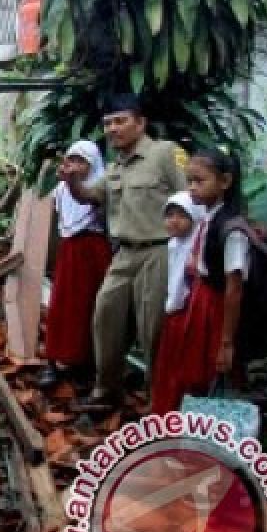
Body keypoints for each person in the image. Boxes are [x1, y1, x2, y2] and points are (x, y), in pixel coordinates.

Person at [60, 93, 186, 410]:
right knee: (105, 315)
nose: (112, 128)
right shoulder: (116, 167)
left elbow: (192, 197)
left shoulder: (166, 153)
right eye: (107, 123)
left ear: (140, 123)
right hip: (124, 253)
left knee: (153, 327)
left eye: (120, 121)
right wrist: (73, 182)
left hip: (159, 251)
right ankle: (108, 391)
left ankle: (159, 402)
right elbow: (90, 196)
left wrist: (192, 250)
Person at [157, 148, 251, 401]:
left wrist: (226, 342)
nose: (192, 188)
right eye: (189, 181)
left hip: (216, 309)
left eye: (199, 181)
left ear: (225, 182)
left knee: (206, 372)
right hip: (201, 302)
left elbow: (234, 288)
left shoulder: (232, 231)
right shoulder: (208, 218)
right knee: (189, 370)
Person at [39, 140, 112, 388]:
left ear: (92, 164)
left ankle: (85, 365)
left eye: (82, 161)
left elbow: (98, 211)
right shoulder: (61, 190)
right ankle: (55, 359)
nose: (76, 166)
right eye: (72, 160)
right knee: (62, 303)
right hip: (70, 251)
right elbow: (62, 221)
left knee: (90, 307)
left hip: (94, 251)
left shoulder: (102, 188)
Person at [149, 191, 205, 415]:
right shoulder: (173, 245)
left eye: (181, 215)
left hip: (188, 315)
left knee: (181, 369)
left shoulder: (197, 248)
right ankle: (163, 411)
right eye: (169, 214)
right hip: (174, 313)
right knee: (167, 367)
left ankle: (176, 415)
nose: (173, 220)